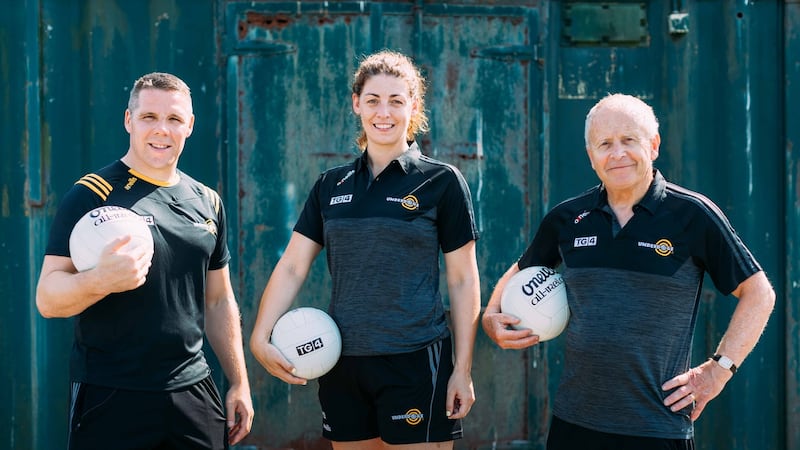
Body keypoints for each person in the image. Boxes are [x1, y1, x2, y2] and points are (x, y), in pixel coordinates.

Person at [482, 93, 775, 449]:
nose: (617, 153)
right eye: (604, 144)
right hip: (574, 424)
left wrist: (719, 370)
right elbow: (522, 268)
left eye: (628, 140)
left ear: (653, 145)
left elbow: (759, 293)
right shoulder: (567, 219)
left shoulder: (692, 215)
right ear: (591, 157)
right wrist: (490, 315)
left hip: (657, 428)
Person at [250, 50, 481, 449]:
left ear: (413, 106)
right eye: (373, 100)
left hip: (415, 361)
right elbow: (292, 266)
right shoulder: (330, 185)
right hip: (342, 363)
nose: (384, 112)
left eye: (396, 100)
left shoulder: (441, 181)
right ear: (356, 104)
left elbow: (462, 280)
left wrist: (462, 368)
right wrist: (259, 336)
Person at [35, 72, 254, 449]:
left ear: (189, 126)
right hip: (112, 393)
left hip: (194, 391)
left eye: (173, 119)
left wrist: (239, 381)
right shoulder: (91, 195)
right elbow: (48, 298)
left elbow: (218, 300)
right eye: (149, 117)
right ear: (128, 120)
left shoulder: (207, 201)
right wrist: (100, 279)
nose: (161, 130)